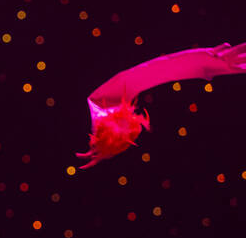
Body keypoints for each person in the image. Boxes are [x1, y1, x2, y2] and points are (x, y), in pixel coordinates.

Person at [78, 42, 246, 168]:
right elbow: (154, 71)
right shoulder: (105, 102)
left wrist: (204, 61)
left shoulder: (105, 101)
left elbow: (154, 71)